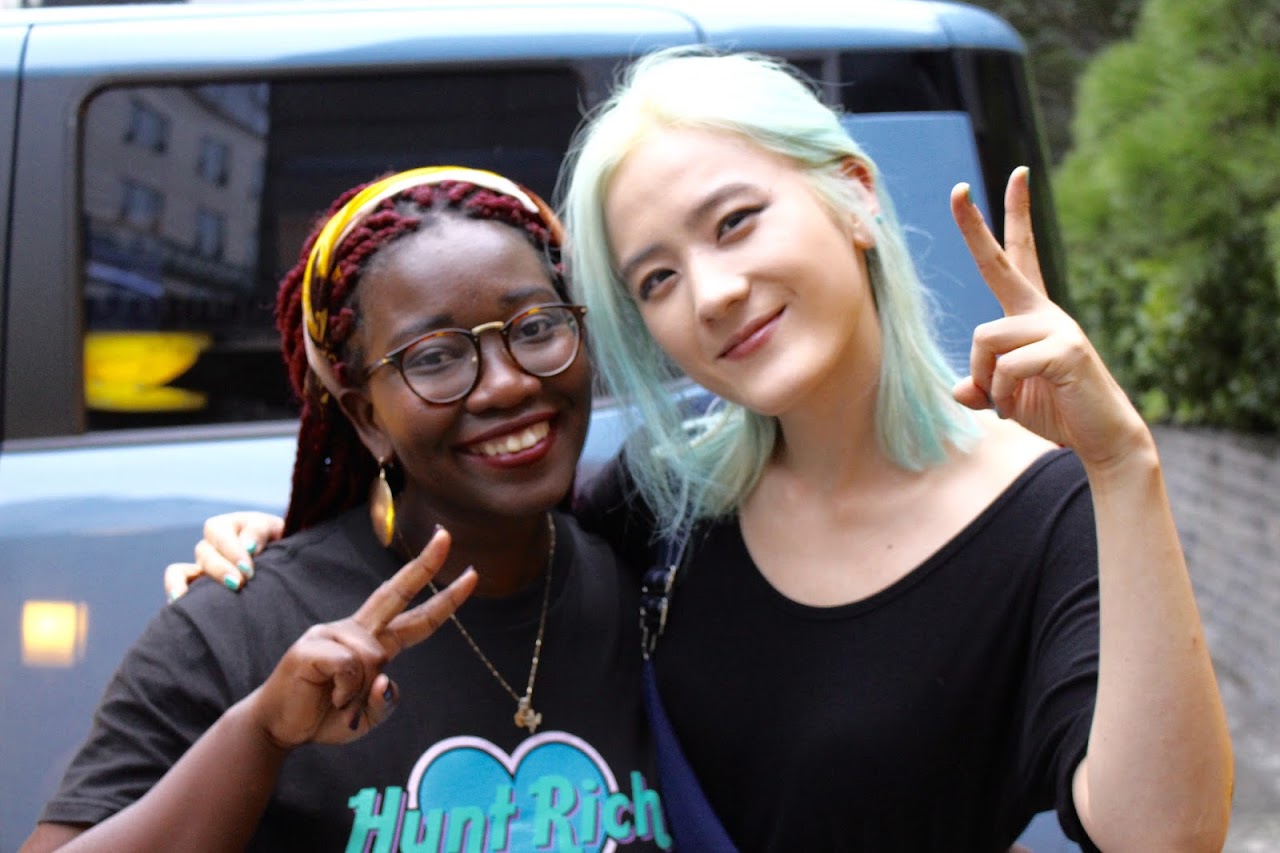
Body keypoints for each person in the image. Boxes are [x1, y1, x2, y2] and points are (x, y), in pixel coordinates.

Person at [168, 49, 1234, 851]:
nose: (713, 293)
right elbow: (481, 545)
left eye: (733, 223)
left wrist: (1124, 468)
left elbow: (1161, 834)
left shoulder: (1046, 509)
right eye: (657, 279)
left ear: (854, 195)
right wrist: (285, 553)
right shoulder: (667, 495)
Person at [22, 167, 671, 852]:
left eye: (536, 326)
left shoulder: (653, 584)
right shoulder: (242, 628)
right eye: (435, 357)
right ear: (366, 417)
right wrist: (260, 735)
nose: (507, 384)